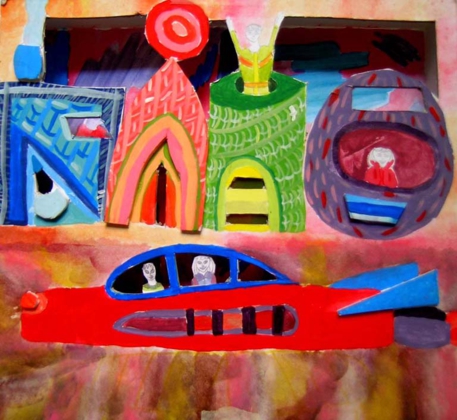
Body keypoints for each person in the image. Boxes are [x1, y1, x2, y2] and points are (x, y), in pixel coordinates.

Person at [227, 13, 284, 96]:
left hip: (265, 92)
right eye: (250, 32)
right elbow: (235, 42)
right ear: (247, 34)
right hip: (247, 93)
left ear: (259, 33)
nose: (253, 35)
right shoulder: (244, 52)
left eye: (255, 32)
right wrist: (231, 27)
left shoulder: (266, 50)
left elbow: (272, 39)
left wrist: (277, 24)